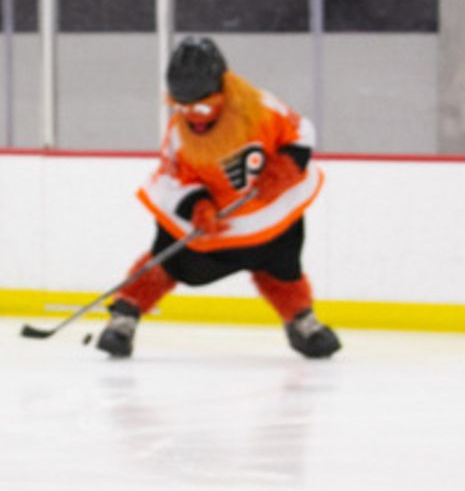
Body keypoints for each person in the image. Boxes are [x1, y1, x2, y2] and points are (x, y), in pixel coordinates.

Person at [96, 36, 341, 360]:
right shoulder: (178, 135)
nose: (193, 118)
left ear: (223, 91)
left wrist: (283, 170)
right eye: (181, 107)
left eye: (200, 107)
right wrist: (196, 205)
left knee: (283, 267)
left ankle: (300, 321)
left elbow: (301, 134)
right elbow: (170, 180)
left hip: (271, 213)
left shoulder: (263, 109)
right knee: (167, 260)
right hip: (214, 228)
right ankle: (125, 316)